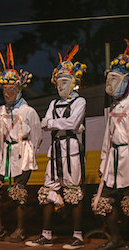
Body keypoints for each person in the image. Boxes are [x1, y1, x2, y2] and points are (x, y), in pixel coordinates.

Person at [26, 45, 87, 249]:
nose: (61, 86)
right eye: (58, 82)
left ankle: (77, 236)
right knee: (47, 191)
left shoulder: (81, 102)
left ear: (73, 83)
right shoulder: (53, 103)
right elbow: (48, 122)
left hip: (71, 151)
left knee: (73, 192)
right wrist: (52, 123)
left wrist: (51, 123)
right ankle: (46, 235)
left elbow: (71, 124)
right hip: (55, 152)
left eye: (65, 82)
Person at [0, 44, 41, 243]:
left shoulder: (29, 112)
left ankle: (20, 229)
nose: (7, 92)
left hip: (23, 153)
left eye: (11, 89)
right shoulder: (0, 111)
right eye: (5, 89)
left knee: (18, 191)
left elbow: (37, 136)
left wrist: (28, 153)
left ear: (18, 89)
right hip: (5, 155)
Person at [91, 39, 129, 250]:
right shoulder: (114, 105)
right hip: (113, 159)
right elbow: (108, 136)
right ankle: (116, 239)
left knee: (128, 199)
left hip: (127, 157)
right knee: (106, 198)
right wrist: (104, 160)